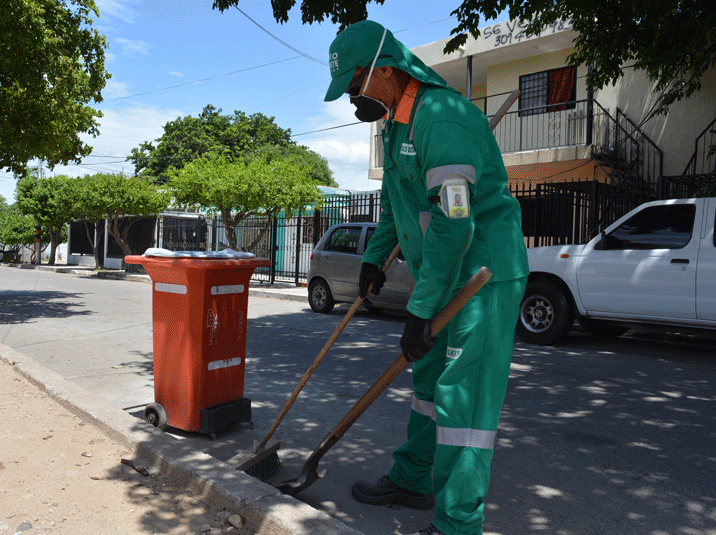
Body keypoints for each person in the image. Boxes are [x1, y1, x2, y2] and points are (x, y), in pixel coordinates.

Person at [324, 20, 530, 535]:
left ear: (383, 70)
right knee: (427, 384)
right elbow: (401, 205)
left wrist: (420, 309)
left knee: (463, 398)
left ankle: (458, 524)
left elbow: (456, 219)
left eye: (354, 86)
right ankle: (413, 479)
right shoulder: (397, 125)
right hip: (443, 274)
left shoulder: (443, 119)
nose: (353, 101)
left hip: (483, 277)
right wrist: (374, 258)